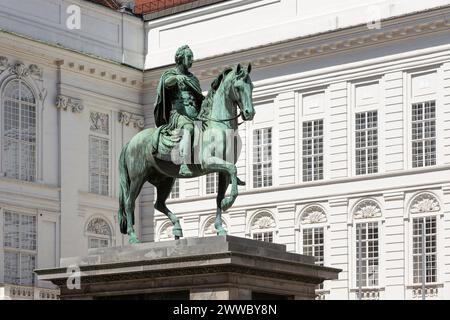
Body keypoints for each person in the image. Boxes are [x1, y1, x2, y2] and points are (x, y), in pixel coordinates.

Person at [153, 45, 204, 177]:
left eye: (192, 57)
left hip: (195, 114)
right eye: (189, 57)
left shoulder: (193, 78)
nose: (191, 60)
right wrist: (176, 78)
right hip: (179, 115)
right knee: (188, 128)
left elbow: (199, 97)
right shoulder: (171, 74)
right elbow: (166, 83)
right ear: (180, 59)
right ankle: (184, 164)